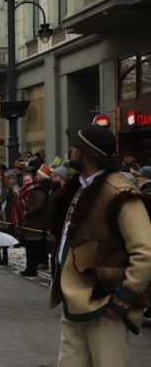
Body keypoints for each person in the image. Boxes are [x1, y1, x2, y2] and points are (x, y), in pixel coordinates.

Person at [48, 125, 151, 365]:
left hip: (105, 301)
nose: (71, 150)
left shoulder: (120, 192)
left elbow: (146, 251)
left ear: (87, 154)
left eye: (75, 147)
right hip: (76, 298)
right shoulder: (82, 186)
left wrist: (122, 298)